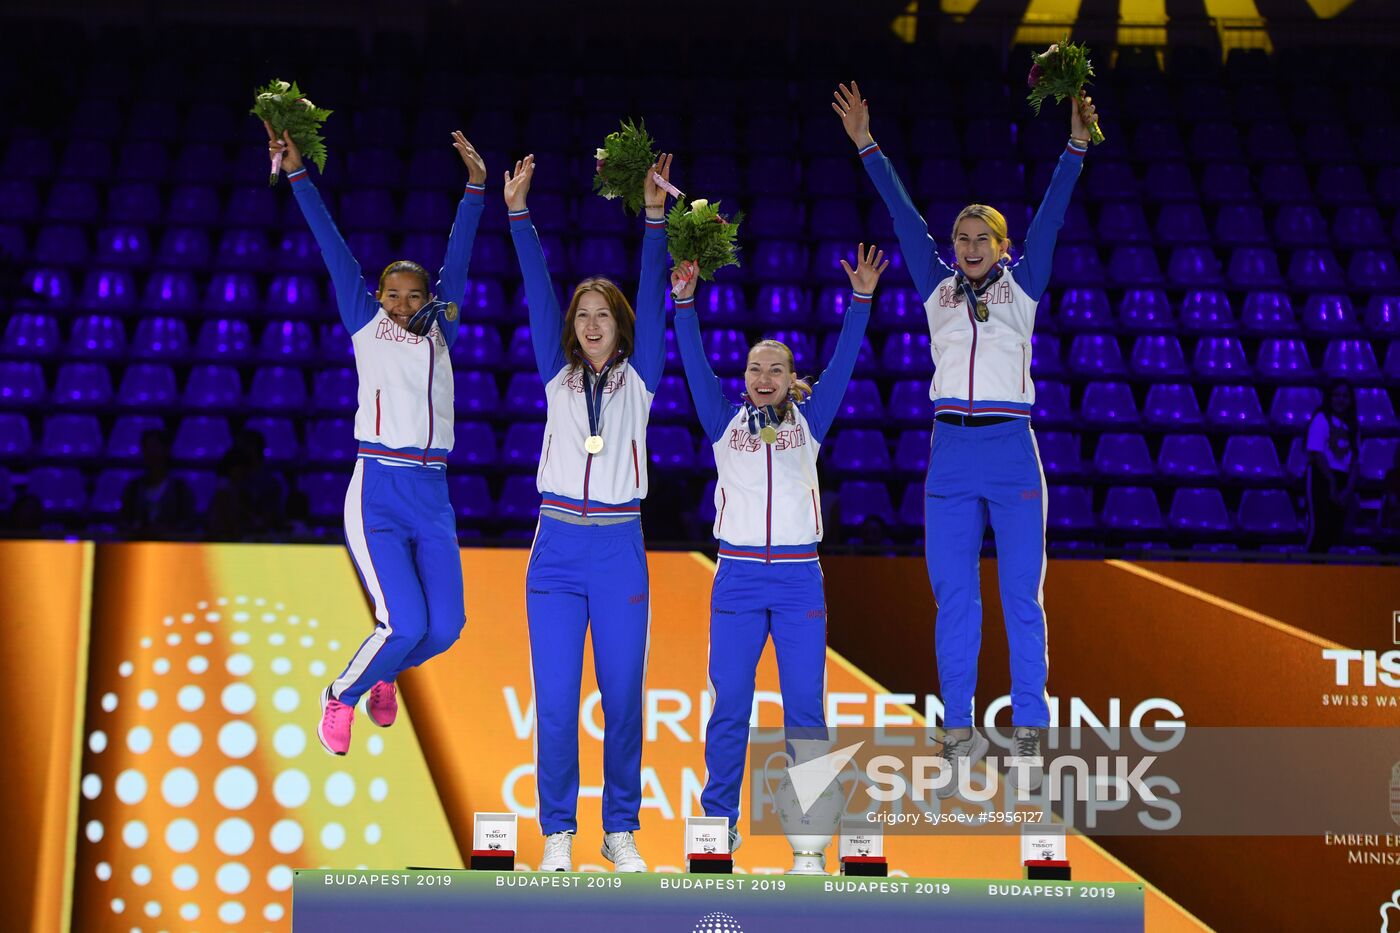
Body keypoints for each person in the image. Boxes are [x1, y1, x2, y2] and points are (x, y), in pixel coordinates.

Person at [834, 79, 1096, 794]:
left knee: (1020, 596)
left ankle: (1032, 735)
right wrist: (866, 143)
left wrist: (1075, 144)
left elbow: (1052, 211)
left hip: (1012, 447)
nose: (971, 245)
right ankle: (957, 731)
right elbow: (901, 212)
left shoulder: (1025, 285)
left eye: (983, 238)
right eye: (962, 238)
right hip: (949, 450)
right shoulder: (936, 288)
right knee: (955, 595)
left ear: (1003, 247)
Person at [266, 122, 487, 756]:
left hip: (433, 494)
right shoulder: (367, 326)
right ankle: (341, 694)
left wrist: (476, 188)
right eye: (390, 293)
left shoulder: (443, 327)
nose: (398, 302)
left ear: (430, 299)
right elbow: (332, 244)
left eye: (412, 294)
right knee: (407, 621)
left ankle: (383, 673)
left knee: (445, 627)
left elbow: (461, 256)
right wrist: (299, 171)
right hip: (380, 491)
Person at [672, 245, 887, 857]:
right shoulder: (724, 423)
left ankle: (811, 841)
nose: (762, 378)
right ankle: (718, 829)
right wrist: (684, 303)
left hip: (798, 581)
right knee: (729, 708)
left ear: (792, 379)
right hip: (737, 579)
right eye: (753, 369)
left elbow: (845, 362)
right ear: (742, 380)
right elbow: (691, 361)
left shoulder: (810, 422)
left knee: (804, 714)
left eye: (774, 370)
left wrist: (861, 301)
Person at [503, 152, 674, 872]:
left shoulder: (643, 378)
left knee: (624, 694)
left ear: (620, 324)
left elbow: (655, 289)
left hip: (617, 547)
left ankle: (621, 830)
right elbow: (537, 289)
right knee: (555, 695)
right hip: (556, 551)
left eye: (604, 314)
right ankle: (557, 833)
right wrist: (516, 213)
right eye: (584, 314)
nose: (593, 322)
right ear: (572, 326)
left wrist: (656, 219)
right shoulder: (556, 373)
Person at [1305, 381, 1359, 553]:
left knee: (1335, 529)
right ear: (1330, 397)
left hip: (1343, 477)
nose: (1341, 400)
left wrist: (1348, 489)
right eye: (1337, 395)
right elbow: (1316, 452)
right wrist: (1331, 482)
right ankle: (1311, 570)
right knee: (1319, 527)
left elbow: (1356, 460)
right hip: (1321, 476)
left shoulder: (1353, 425)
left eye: (1345, 396)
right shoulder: (1321, 418)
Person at [120, 429, 196, 537]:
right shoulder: (132, 489)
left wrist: (166, 530)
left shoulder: (180, 490)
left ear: (166, 450)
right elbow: (123, 523)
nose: (151, 452)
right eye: (147, 447)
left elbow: (189, 524)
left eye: (155, 446)